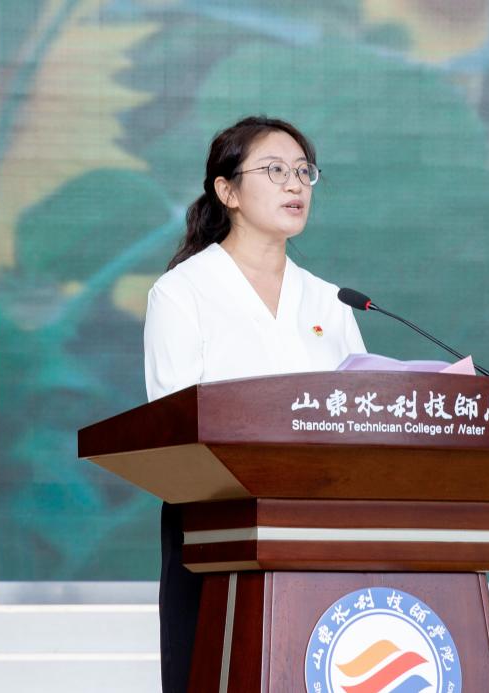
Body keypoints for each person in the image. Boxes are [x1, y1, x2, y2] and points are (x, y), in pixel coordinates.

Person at [143, 116, 366, 692]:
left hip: (320, 525)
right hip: (215, 528)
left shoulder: (331, 301)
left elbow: (362, 415)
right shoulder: (183, 292)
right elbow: (173, 426)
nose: (295, 184)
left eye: (304, 172)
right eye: (274, 170)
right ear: (228, 191)